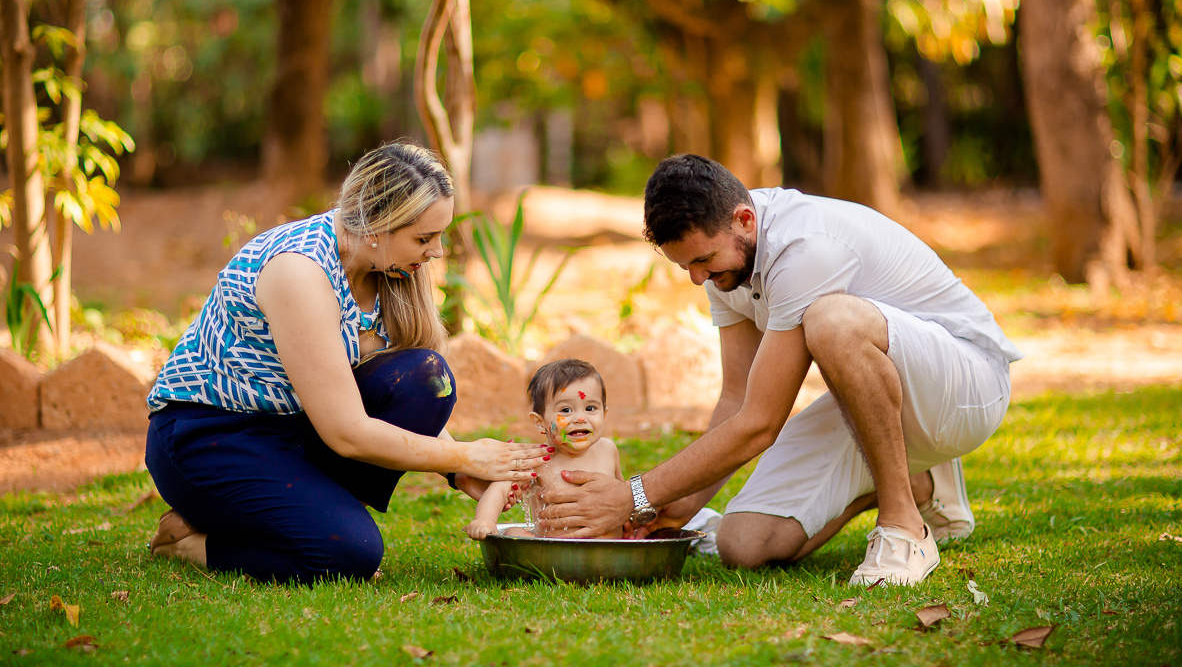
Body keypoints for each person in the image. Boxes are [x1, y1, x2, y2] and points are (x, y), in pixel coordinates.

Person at [538, 154, 1022, 586]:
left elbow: (762, 422)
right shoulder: (725, 265)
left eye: (703, 260)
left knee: (831, 321)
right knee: (743, 543)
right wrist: (681, 502)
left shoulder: (806, 247)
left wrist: (633, 495)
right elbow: (736, 401)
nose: (697, 278)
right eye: (686, 266)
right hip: (884, 402)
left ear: (744, 219)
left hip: (967, 386)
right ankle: (923, 487)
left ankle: (903, 527)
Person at [143, 142, 548, 583]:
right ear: (377, 224)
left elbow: (376, 396)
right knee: (349, 554)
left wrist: (458, 470)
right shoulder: (299, 271)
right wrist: (468, 455)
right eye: (424, 238)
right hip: (210, 436)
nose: (436, 252)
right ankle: (188, 542)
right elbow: (346, 431)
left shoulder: (388, 268)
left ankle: (269, 513)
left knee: (425, 379)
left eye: (439, 235)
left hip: (293, 425)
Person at [466, 359, 623, 540]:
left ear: (604, 413)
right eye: (565, 410)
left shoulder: (608, 449)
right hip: (555, 552)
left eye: (590, 408)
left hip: (608, 553)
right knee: (515, 534)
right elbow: (499, 490)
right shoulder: (539, 460)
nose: (580, 418)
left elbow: (621, 494)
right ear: (540, 423)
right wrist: (485, 521)